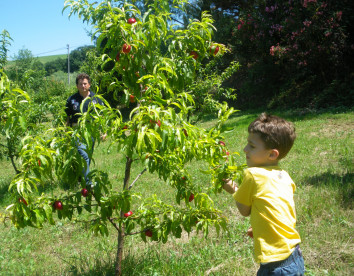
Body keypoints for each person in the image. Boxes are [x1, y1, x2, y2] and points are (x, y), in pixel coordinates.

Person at [223, 113, 304, 276]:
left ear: (272, 154)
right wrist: (264, 226)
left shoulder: (252, 174)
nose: (245, 149)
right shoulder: (284, 176)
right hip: (295, 258)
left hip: (276, 267)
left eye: (252, 146)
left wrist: (233, 189)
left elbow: (244, 210)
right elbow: (284, 210)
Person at [65, 73, 105, 188]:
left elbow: (101, 117)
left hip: (91, 131)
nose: (83, 86)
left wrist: (103, 132)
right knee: (83, 155)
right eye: (80, 84)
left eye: (85, 83)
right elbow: (67, 118)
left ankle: (78, 177)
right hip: (76, 130)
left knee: (87, 156)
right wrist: (65, 132)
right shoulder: (71, 99)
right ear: (77, 86)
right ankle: (88, 183)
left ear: (89, 84)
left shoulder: (96, 99)